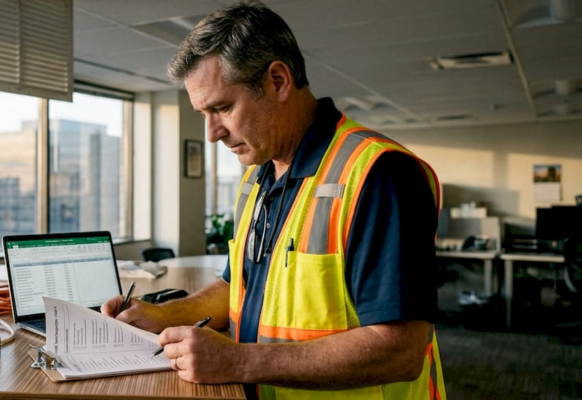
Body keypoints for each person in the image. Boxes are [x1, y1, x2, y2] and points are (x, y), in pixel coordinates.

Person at [101, 1, 446, 398]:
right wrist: (163, 315)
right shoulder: (257, 177)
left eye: (223, 107)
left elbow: (400, 350)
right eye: (203, 113)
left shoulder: (378, 175)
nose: (212, 133)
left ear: (278, 81)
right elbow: (239, 286)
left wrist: (237, 361)